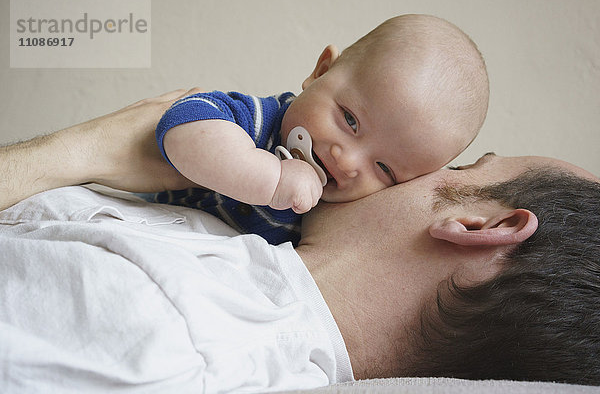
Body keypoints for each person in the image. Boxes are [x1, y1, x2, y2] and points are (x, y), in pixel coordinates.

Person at [0, 91, 598, 392]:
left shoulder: (170, 334)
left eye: (462, 167)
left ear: (477, 227)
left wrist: (77, 151)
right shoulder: (226, 244)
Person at [149, 14, 490, 245]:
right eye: (350, 120)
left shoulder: (341, 211)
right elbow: (182, 124)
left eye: (385, 169)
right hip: (150, 226)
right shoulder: (259, 121)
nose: (348, 162)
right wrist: (270, 178)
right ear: (321, 70)